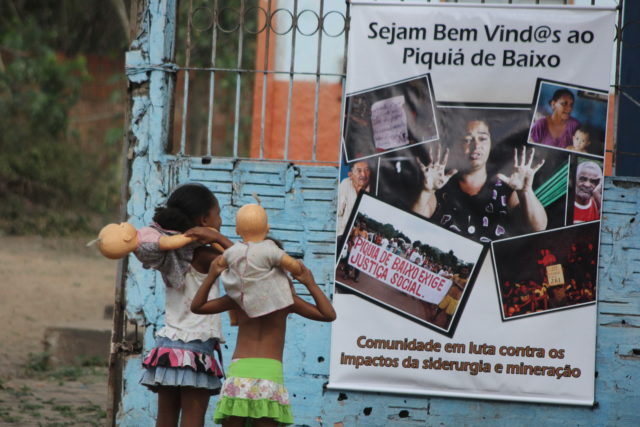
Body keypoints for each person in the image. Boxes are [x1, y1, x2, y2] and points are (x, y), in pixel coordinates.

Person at [191, 261, 336, 426]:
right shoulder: (286, 300)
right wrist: (310, 283)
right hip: (270, 372)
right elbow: (328, 314)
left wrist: (212, 275)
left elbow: (197, 306)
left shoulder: (239, 296)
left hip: (240, 370)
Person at [137, 183, 234, 427]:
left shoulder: (171, 254)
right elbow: (248, 262)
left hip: (167, 348)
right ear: (204, 220)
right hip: (196, 349)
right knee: (193, 419)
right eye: (218, 214)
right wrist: (219, 238)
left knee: (165, 419)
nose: (221, 220)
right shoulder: (206, 256)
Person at [412, 119, 547, 242]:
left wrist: (525, 192)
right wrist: (426, 191)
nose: (476, 145)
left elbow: (537, 227)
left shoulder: (507, 187)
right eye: (467, 140)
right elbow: (413, 222)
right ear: (457, 146)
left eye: (482, 138)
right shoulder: (440, 185)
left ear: (491, 143)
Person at [336, 161, 372, 238]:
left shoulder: (372, 188)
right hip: (342, 234)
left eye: (366, 170)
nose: (363, 174)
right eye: (359, 171)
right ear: (350, 174)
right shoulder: (346, 183)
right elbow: (338, 210)